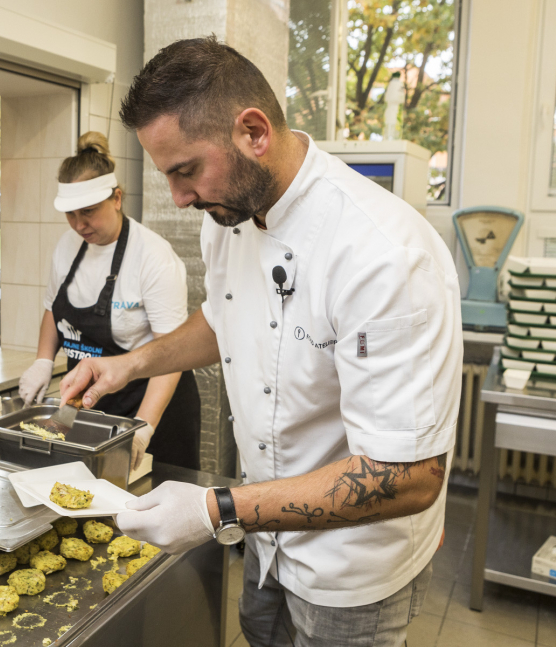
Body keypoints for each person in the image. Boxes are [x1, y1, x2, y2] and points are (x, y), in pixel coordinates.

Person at [60, 37, 462, 646]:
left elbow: (408, 476)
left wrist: (215, 509)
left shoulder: (382, 254)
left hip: (351, 566)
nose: (178, 197)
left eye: (185, 171)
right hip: (268, 538)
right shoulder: (230, 216)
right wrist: (129, 364)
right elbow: (222, 318)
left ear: (253, 132)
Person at [18, 132, 200, 472]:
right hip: (92, 402)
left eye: (88, 212)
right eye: (70, 214)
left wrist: (142, 429)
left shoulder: (153, 256)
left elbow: (173, 355)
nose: (78, 224)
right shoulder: (66, 247)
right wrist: (43, 361)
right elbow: (52, 310)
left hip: (151, 403)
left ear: (116, 198)